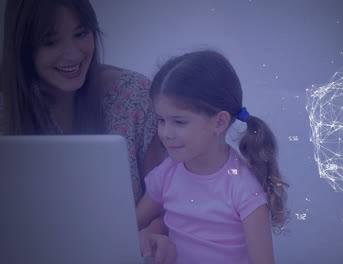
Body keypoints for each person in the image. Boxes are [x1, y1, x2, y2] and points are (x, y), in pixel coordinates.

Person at [0, 1, 175, 263]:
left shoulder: (134, 94)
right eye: (50, 41)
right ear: (23, 48)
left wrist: (153, 232)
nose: (72, 54)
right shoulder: (6, 106)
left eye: (81, 34)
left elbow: (165, 198)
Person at [137, 50, 289, 264]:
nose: (165, 133)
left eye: (179, 122)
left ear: (219, 123)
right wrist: (145, 235)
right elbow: (133, 224)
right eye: (161, 120)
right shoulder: (167, 172)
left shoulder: (244, 189)